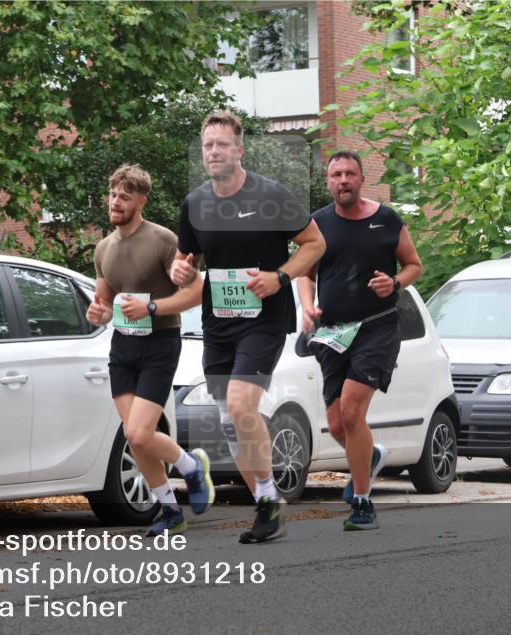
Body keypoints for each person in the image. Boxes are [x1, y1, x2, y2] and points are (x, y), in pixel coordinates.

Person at [170, 111, 326, 543]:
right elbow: (186, 260)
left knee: (240, 406)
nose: (214, 152)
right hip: (217, 322)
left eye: (222, 144)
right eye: (207, 145)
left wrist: (280, 277)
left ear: (239, 150)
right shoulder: (195, 203)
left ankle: (268, 497)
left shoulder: (271, 195)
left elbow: (315, 243)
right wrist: (180, 272)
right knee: (231, 419)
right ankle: (266, 502)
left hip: (265, 320)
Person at [297, 150, 423, 531]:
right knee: (337, 424)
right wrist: (307, 307)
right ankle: (368, 459)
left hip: (378, 327)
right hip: (333, 332)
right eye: (336, 175)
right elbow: (305, 273)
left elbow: (414, 264)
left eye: (350, 173)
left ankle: (363, 502)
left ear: (361, 178)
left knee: (353, 412)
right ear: (328, 180)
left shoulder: (386, 220)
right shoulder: (316, 224)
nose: (343, 181)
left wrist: (396, 283)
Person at [86, 164, 212, 537]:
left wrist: (153, 308)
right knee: (133, 434)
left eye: (125, 196)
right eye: (113, 194)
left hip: (160, 343)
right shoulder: (103, 248)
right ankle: (170, 510)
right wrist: (99, 312)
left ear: (141, 201)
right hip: (122, 345)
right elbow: (104, 304)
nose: (116, 201)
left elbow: (194, 291)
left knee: (141, 434)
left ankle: (191, 467)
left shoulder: (162, 240)